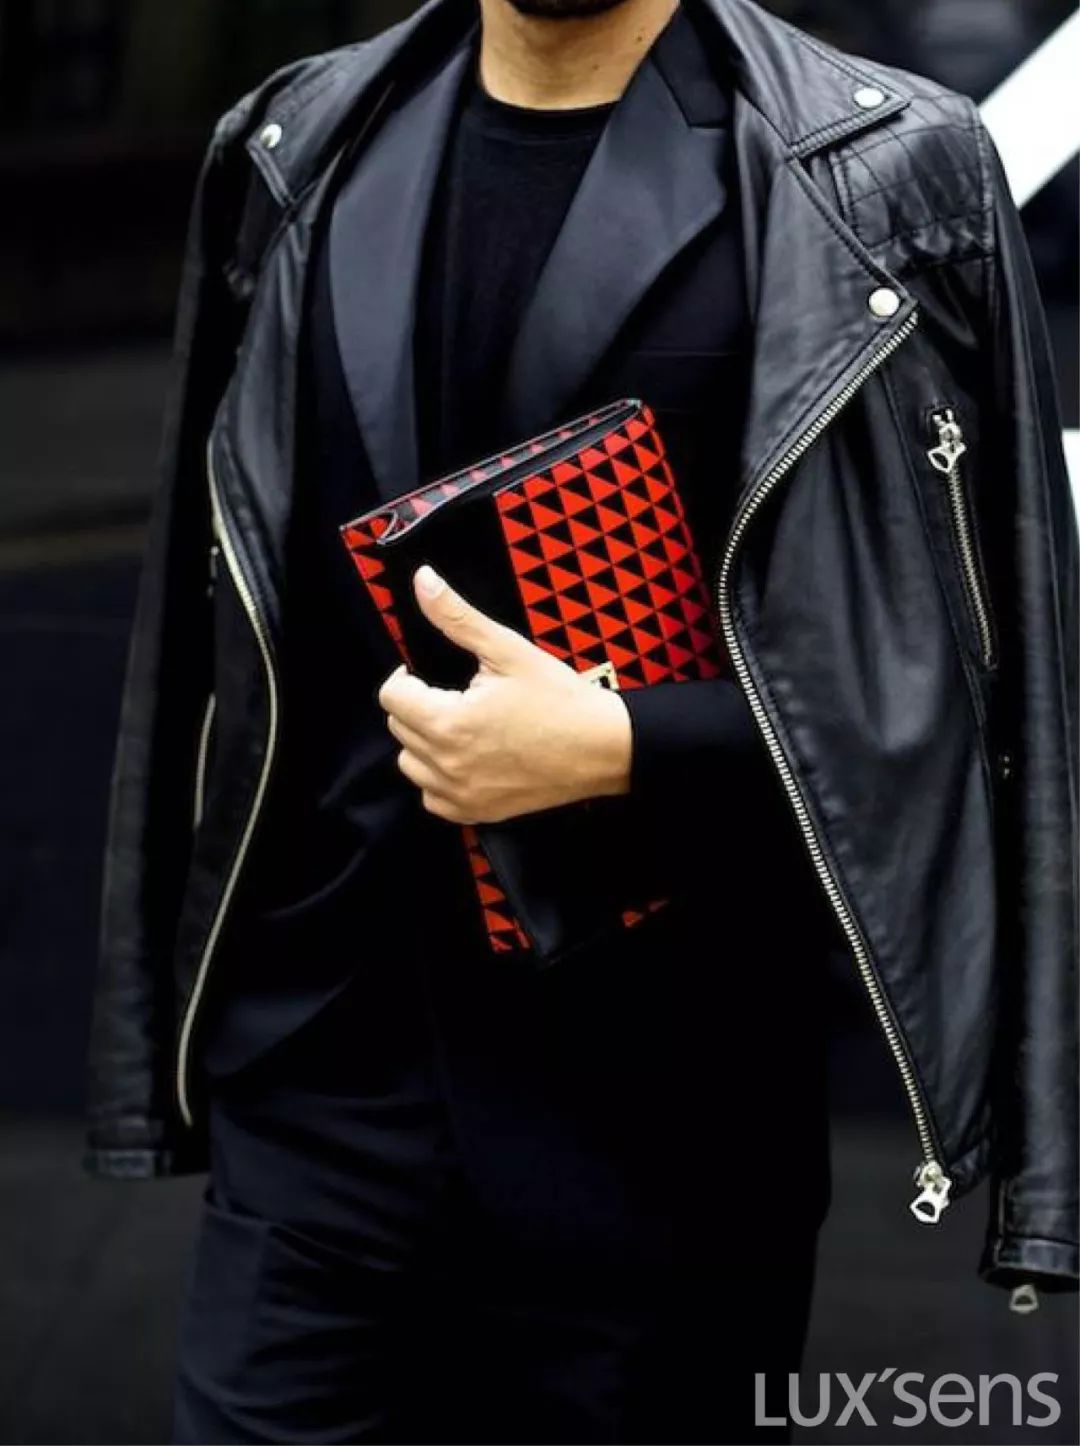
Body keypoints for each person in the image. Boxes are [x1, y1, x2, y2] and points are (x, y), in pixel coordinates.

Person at [84, 0, 1079, 1440]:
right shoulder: (298, 142)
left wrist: (628, 746)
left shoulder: (878, 171)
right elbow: (209, 630)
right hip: (319, 1107)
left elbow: (963, 705)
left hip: (667, 1131)